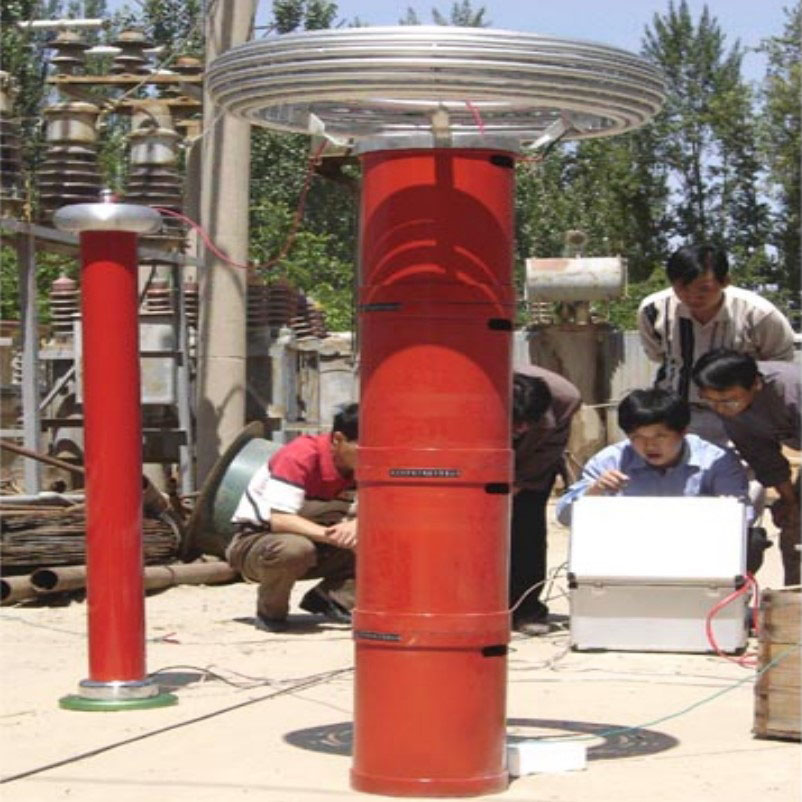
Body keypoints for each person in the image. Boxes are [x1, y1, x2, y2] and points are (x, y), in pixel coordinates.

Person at [637, 244, 795, 443]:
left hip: (744, 417)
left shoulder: (759, 314)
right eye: (682, 288)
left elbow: (780, 367)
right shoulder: (653, 311)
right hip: (679, 414)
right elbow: (657, 356)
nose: (693, 296)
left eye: (704, 288)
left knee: (748, 463)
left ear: (725, 281)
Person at [226, 403, 359, 632]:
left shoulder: (368, 464)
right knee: (294, 549)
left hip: (321, 543)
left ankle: (332, 599)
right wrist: (335, 535)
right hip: (259, 541)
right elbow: (281, 520)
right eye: (363, 447)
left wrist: (358, 524)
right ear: (338, 439)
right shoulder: (301, 455)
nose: (374, 456)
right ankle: (271, 613)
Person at [556, 388, 751, 526]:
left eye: (660, 436)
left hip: (696, 541)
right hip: (628, 544)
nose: (649, 445)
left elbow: (743, 518)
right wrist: (594, 491)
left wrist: (720, 509)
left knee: (752, 541)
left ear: (683, 431)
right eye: (637, 437)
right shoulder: (609, 461)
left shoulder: (716, 461)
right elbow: (565, 517)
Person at [693, 349, 800, 585]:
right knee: (795, 531)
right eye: (711, 401)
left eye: (729, 401)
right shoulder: (730, 407)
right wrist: (790, 501)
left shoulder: (793, 390)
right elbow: (764, 458)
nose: (721, 409)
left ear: (756, 385)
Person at [511, 365, 581, 635]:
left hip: (534, 466)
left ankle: (526, 609)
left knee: (527, 533)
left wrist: (520, 481)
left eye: (528, 422)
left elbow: (552, 447)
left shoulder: (565, 398)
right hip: (476, 462)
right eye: (516, 423)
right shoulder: (476, 390)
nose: (522, 428)